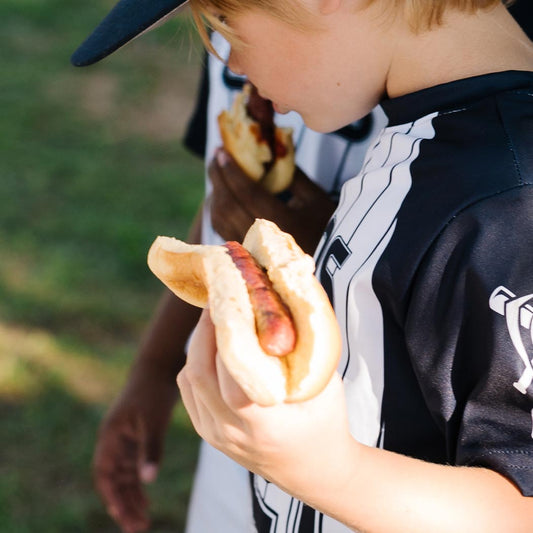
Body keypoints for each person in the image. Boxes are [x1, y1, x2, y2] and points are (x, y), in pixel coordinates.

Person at [70, 0, 533, 531]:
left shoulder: (505, 202)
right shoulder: (419, 139)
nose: (230, 65)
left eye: (225, 24)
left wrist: (329, 473)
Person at [72, 6, 386, 532]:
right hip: (240, 429)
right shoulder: (239, 42)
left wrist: (326, 248)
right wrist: (154, 367)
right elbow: (226, 198)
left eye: (225, 17)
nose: (228, 57)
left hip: (373, 447)